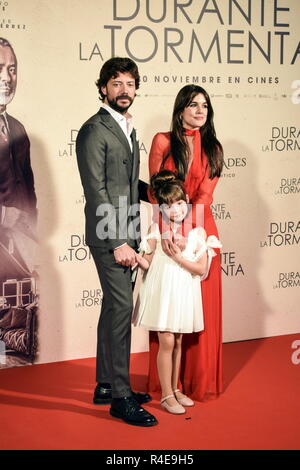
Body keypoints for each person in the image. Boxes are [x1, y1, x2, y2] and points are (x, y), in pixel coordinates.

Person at [76, 57, 157, 427]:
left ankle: (106, 384)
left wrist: (155, 194)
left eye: (129, 83)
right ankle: (121, 398)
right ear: (103, 88)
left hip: (128, 232)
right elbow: (97, 191)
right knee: (122, 310)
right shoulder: (95, 129)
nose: (124, 90)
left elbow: (125, 182)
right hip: (112, 237)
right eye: (116, 83)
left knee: (112, 307)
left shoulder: (127, 128)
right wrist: (118, 243)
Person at [147, 85, 224, 401]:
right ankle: (166, 388)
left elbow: (206, 195)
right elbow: (155, 191)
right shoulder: (162, 141)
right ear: (180, 109)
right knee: (171, 315)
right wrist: (169, 230)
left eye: (205, 105)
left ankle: (194, 383)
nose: (200, 110)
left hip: (200, 232)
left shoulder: (214, 148)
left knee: (198, 311)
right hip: (167, 228)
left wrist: (189, 230)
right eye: (193, 104)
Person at [133, 170, 221, 414]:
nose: (176, 210)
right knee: (167, 341)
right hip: (162, 292)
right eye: (169, 206)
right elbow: (148, 261)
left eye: (180, 203)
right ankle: (166, 395)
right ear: (161, 209)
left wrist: (179, 257)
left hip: (183, 292)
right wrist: (135, 259)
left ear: (187, 202)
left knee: (179, 340)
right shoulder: (154, 229)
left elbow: (202, 268)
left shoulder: (197, 233)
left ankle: (175, 388)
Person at [0, 37, 37, 281]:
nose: (7, 78)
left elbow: (28, 189)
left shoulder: (18, 128)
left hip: (19, 254)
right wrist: (4, 216)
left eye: (11, 69)